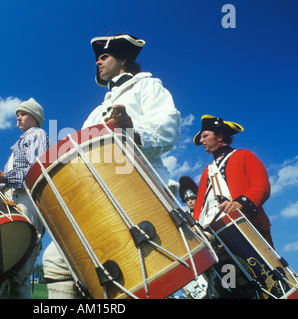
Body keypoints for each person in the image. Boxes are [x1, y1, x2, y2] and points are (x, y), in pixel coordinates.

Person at [43, 33, 181, 298]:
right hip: (102, 198)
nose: (98, 62)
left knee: (145, 274)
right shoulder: (96, 112)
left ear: (122, 59)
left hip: (141, 190)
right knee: (56, 260)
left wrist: (133, 131)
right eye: (97, 59)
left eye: (104, 57)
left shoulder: (148, 86)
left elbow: (167, 130)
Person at [0, 97, 50, 299]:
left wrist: (3, 177)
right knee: (8, 272)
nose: (18, 118)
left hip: (26, 202)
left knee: (19, 273)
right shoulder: (19, 143)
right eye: (17, 115)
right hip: (14, 202)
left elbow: (35, 172)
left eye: (23, 113)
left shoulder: (37, 134)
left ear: (35, 117)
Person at [192, 114, 273, 247]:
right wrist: (195, 226)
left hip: (247, 224)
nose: (201, 141)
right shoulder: (207, 171)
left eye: (205, 136)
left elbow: (261, 187)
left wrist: (240, 204)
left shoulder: (244, 155)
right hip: (214, 234)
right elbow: (199, 206)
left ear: (219, 136)